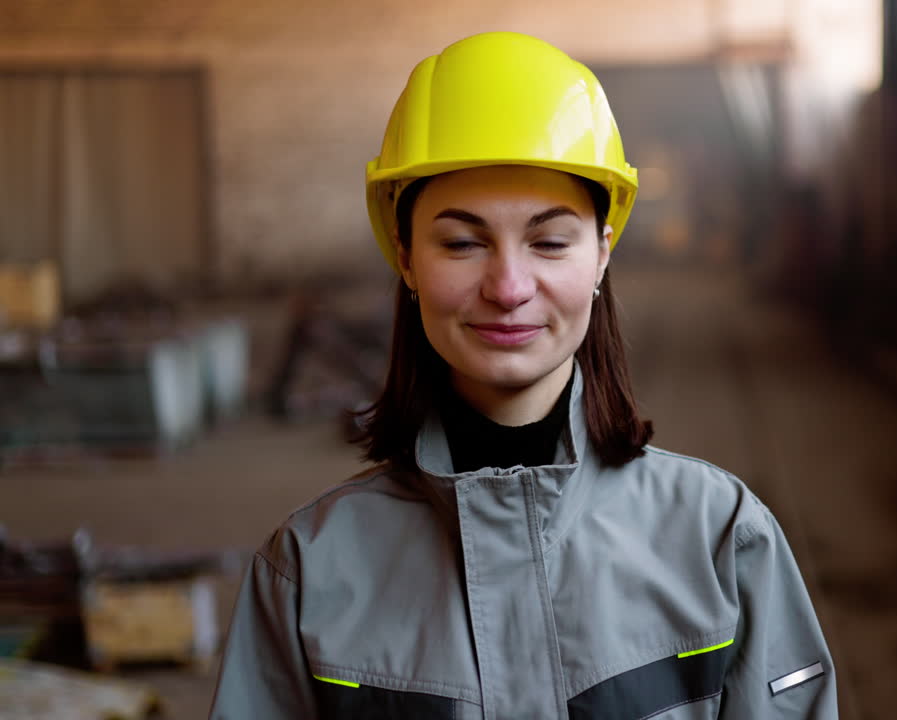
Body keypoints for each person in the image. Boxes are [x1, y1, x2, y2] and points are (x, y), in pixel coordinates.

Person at [209, 32, 835, 719]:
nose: (508, 287)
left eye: (549, 241)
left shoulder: (722, 541)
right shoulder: (306, 573)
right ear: (407, 258)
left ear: (601, 254)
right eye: (462, 242)